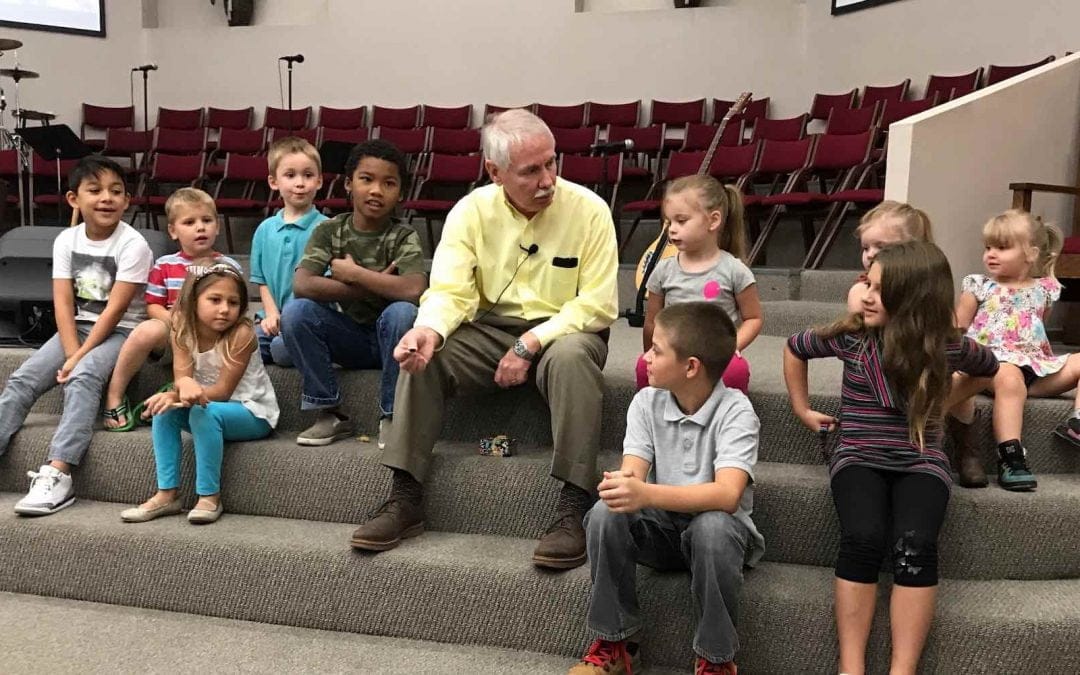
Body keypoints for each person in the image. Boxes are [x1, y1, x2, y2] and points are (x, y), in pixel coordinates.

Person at [349, 109, 619, 570]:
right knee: (424, 355)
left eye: (552, 163)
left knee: (574, 357)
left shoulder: (589, 209)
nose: (547, 179)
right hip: (488, 331)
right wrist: (427, 329)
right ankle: (406, 495)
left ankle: (575, 505)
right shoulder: (471, 212)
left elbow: (596, 304)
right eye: (530, 170)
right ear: (494, 172)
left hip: (564, 334)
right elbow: (451, 292)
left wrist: (530, 343)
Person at [784, 241, 998, 675]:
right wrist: (802, 409)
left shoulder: (947, 345)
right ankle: (851, 666)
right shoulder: (850, 336)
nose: (865, 294)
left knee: (915, 545)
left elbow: (990, 367)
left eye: (879, 289)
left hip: (920, 460)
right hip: (858, 455)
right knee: (863, 538)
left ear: (915, 300)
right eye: (867, 282)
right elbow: (793, 348)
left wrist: (942, 399)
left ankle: (903, 669)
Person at [570, 302, 763, 675]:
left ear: (691, 367)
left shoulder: (737, 412)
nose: (645, 358)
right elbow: (632, 476)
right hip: (661, 534)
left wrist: (644, 494)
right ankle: (615, 645)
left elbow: (726, 496)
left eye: (656, 351)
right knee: (604, 512)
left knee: (712, 527)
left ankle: (716, 660)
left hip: (717, 541)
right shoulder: (645, 402)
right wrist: (623, 487)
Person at [0, 155, 153, 515]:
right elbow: (63, 302)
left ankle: (59, 472)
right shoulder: (66, 240)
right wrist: (71, 350)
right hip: (79, 327)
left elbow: (115, 310)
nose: (107, 198)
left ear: (127, 201)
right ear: (74, 200)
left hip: (123, 331)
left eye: (116, 191)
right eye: (95, 190)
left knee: (83, 376)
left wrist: (77, 360)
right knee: (22, 379)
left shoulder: (134, 245)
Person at [281, 139, 425, 447]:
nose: (376, 190)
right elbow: (303, 284)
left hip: (394, 338)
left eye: (388, 183)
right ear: (348, 183)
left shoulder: (404, 235)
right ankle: (328, 412)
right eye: (366, 179)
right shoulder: (330, 231)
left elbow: (413, 290)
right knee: (296, 312)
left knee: (402, 312)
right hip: (349, 338)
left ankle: (392, 416)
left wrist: (355, 274)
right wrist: (373, 285)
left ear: (400, 193)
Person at [120, 264, 278, 524]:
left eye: (233, 302)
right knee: (165, 413)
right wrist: (176, 393)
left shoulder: (241, 334)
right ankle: (167, 494)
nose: (225, 309)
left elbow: (223, 392)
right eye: (214, 300)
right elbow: (182, 377)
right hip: (207, 407)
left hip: (252, 412)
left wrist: (178, 394)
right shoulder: (182, 329)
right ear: (193, 301)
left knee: (203, 412)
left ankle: (209, 496)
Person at [950, 210, 1079, 491]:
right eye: (988, 247)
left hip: (1035, 369)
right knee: (1009, 376)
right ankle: (1011, 456)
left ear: (1031, 254)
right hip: (992, 369)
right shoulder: (979, 285)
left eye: (1002, 247)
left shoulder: (1044, 289)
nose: (991, 254)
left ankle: (1077, 423)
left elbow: (1036, 332)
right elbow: (958, 326)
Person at [102, 188, 241, 431]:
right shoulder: (165, 265)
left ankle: (175, 393)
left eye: (207, 221)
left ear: (217, 226)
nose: (200, 227)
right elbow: (153, 305)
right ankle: (114, 395)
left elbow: (236, 307)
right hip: (174, 334)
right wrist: (175, 322)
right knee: (146, 329)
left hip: (213, 339)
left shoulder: (227, 266)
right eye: (189, 222)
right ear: (173, 231)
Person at [638, 175, 761, 393]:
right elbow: (652, 322)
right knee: (643, 367)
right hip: (674, 348)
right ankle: (653, 419)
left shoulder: (734, 270)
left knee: (734, 371)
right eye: (669, 222)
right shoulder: (663, 271)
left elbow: (753, 318)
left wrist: (733, 347)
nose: (672, 229)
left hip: (715, 351)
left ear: (713, 220)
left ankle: (731, 422)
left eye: (681, 221)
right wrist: (653, 353)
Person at [249, 136, 329, 365]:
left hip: (307, 322)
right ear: (274, 182)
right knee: (242, 345)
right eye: (290, 175)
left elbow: (325, 287)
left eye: (308, 175)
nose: (300, 183)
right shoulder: (265, 230)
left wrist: (291, 321)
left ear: (320, 181)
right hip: (271, 320)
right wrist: (272, 313)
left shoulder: (326, 228)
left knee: (281, 350)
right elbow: (261, 280)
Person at [845, 201, 933, 313]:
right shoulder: (863, 288)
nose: (870, 255)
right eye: (866, 248)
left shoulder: (925, 285)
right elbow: (858, 320)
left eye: (881, 247)